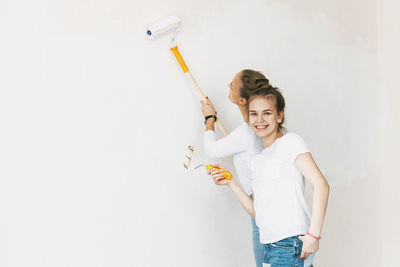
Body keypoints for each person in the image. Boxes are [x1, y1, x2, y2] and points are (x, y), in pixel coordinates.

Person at [207, 83, 330, 267]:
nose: (260, 120)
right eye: (254, 114)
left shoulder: (290, 143)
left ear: (279, 115)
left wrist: (313, 235)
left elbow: (321, 185)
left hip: (289, 244)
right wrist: (230, 183)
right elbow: (258, 212)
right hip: (269, 246)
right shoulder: (257, 160)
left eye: (267, 113)